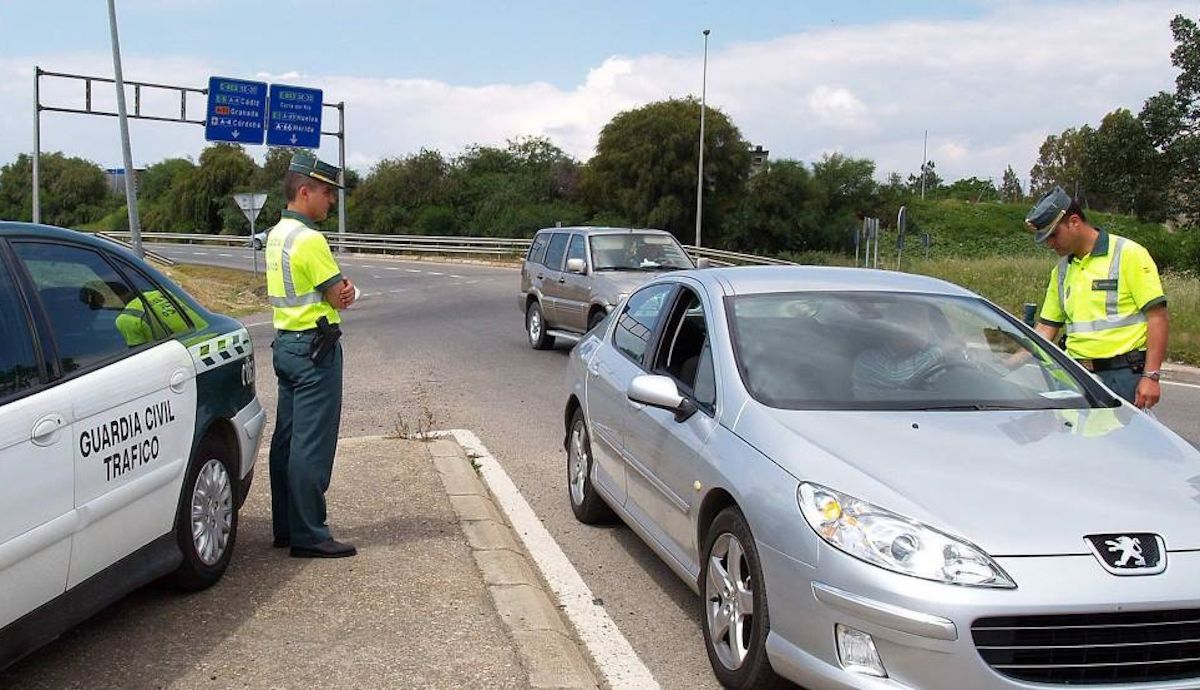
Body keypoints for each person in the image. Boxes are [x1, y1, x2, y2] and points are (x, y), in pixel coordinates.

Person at [266, 152, 358, 558]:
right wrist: (345, 293)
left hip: (285, 343)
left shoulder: (276, 235)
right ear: (304, 191)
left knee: (286, 439)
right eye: (325, 193)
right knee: (311, 445)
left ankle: (286, 526)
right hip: (315, 348)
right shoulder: (310, 239)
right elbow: (338, 295)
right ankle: (310, 534)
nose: (331, 201)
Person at [1025, 186, 1168, 409]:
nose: (1049, 243)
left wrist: (1151, 376)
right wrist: (1007, 360)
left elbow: (1157, 316)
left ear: (1074, 222)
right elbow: (1046, 329)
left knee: (1122, 443)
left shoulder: (1128, 254)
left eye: (1053, 234)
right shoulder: (1061, 271)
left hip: (1123, 377)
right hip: (1075, 376)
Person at [851, 301, 949, 399]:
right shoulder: (866, 361)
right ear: (898, 329)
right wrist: (942, 350)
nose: (928, 330)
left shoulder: (925, 360)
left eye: (927, 326)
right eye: (919, 325)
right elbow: (898, 377)